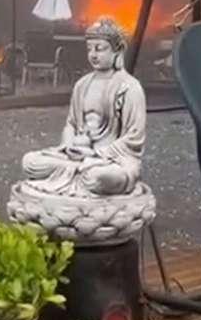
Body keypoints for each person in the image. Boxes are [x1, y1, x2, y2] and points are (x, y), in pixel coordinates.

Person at [21, 17, 146, 197]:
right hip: (77, 154)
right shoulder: (82, 84)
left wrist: (96, 154)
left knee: (99, 177)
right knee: (30, 162)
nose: (93, 55)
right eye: (89, 49)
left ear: (117, 50)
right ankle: (76, 175)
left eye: (100, 49)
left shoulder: (129, 87)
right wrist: (68, 145)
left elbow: (134, 138)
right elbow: (71, 124)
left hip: (112, 160)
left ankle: (79, 178)